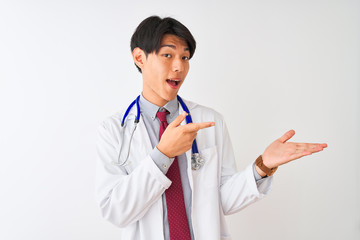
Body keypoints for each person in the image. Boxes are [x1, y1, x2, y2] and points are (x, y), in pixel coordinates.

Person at [95, 16, 327, 240]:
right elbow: (115, 211)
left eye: (185, 58)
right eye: (168, 55)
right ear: (139, 57)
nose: (179, 67)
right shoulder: (114, 130)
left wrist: (263, 166)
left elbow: (221, 201)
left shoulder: (209, 120)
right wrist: (162, 154)